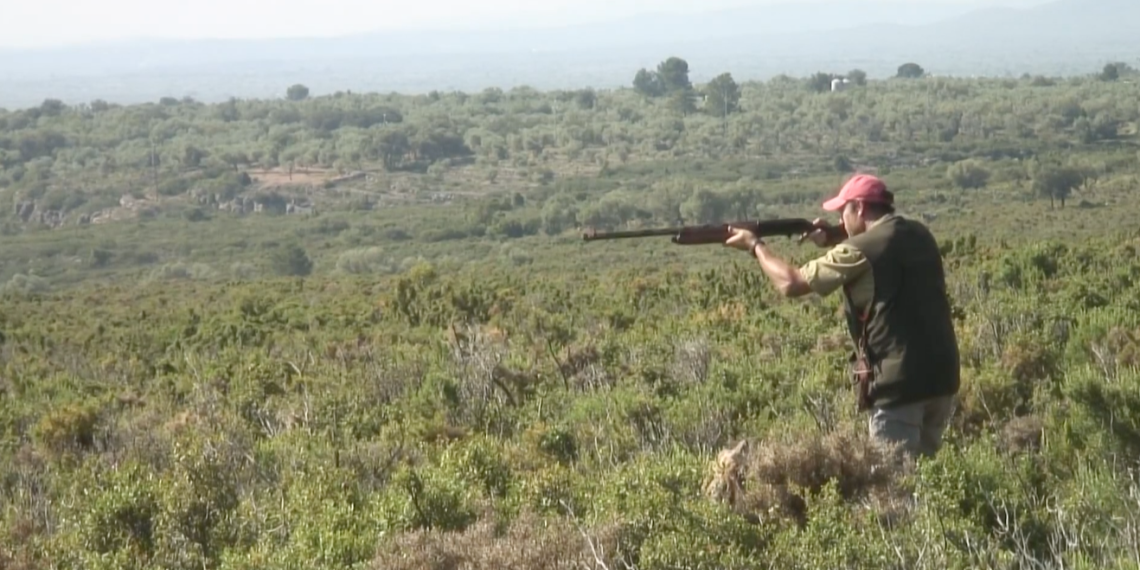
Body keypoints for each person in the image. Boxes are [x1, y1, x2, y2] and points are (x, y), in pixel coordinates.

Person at [724, 173, 960, 460]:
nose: (841, 219)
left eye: (842, 212)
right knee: (925, 478)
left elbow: (791, 283)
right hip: (941, 379)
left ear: (859, 208)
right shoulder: (919, 233)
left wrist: (755, 246)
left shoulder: (859, 249)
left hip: (898, 388)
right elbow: (880, 247)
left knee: (892, 490)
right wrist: (834, 236)